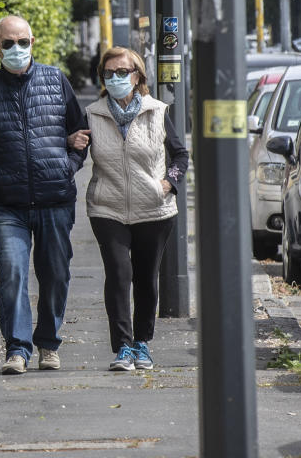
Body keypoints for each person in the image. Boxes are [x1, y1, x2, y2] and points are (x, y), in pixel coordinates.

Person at [0, 15, 88, 375]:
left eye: (23, 42)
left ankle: (48, 343)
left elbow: (79, 131)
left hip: (54, 198)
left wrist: (69, 165)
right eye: (8, 43)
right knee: (13, 271)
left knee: (56, 275)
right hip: (7, 203)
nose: (16, 49)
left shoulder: (55, 80)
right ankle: (17, 349)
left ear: (33, 41)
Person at [68, 47, 188, 371]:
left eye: (123, 72)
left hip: (155, 210)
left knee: (147, 278)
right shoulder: (92, 113)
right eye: (109, 73)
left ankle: (142, 344)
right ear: (103, 78)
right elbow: (78, 152)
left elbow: (180, 156)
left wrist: (168, 184)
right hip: (107, 208)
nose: (116, 78)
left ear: (137, 76)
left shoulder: (158, 111)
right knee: (120, 274)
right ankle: (122, 347)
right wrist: (69, 148)